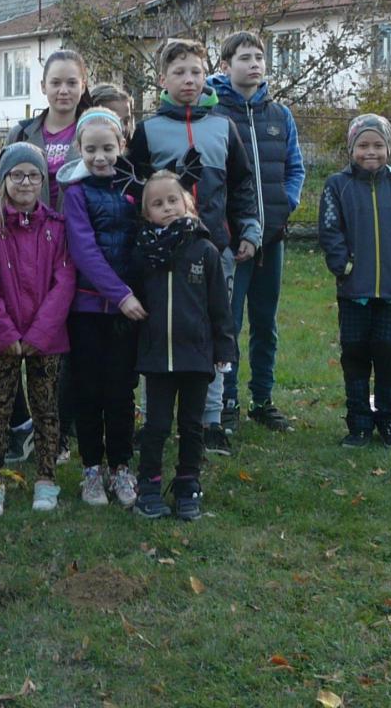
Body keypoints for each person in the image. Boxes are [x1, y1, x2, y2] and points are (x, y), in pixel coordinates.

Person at [127, 38, 260, 458]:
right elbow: (135, 191)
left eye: (196, 72)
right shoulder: (148, 131)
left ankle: (211, 419)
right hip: (160, 255)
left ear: (207, 76)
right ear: (162, 79)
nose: (189, 80)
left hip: (213, 249)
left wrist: (248, 229)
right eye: (179, 72)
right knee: (156, 331)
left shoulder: (224, 127)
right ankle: (152, 418)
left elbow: (242, 184)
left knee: (215, 329)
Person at [0, 142, 75, 516]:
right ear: (4, 180)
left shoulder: (57, 227)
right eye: (17, 175)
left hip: (46, 340)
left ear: (43, 180)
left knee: (47, 410)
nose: (25, 182)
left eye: (33, 175)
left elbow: (64, 283)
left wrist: (38, 335)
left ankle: (46, 477)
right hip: (0, 339)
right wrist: (7, 334)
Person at [211, 31, 305, 435]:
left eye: (259, 58)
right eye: (245, 58)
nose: (254, 65)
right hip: (232, 243)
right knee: (229, 324)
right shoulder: (215, 115)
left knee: (266, 323)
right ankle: (226, 400)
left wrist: (285, 205)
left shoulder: (280, 115)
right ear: (225, 66)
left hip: (272, 240)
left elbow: (295, 168)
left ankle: (262, 399)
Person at [2, 49, 92, 465]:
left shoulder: (93, 130)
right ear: (43, 86)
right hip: (27, 251)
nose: (63, 90)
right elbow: (1, 186)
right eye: (56, 82)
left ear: (83, 85)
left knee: (66, 343)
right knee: (17, 334)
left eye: (72, 82)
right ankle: (24, 423)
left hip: (77, 250)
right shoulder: (23, 133)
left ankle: (59, 430)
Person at [131, 171, 236, 520]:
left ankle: (188, 483)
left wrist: (224, 350)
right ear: (146, 213)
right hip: (157, 357)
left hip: (196, 356)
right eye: (157, 204)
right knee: (156, 425)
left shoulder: (205, 250)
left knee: (192, 425)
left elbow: (220, 306)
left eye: (173, 200)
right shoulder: (144, 252)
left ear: (187, 203)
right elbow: (133, 297)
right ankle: (149, 484)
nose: (167, 208)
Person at [55, 109, 146, 508]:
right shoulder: (75, 194)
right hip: (89, 308)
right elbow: (84, 250)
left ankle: (121, 466)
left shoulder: (134, 189)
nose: (100, 157)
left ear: (121, 146)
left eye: (108, 148)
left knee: (121, 390)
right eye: (90, 149)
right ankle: (92, 467)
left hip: (129, 312)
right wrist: (120, 294)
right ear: (79, 149)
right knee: (88, 389)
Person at [318, 113, 391, 449]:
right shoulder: (338, 185)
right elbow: (330, 228)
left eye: (378, 145)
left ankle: (390, 419)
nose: (370, 152)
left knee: (390, 355)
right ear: (351, 148)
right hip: (354, 290)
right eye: (363, 145)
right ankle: (359, 422)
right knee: (355, 355)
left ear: (388, 147)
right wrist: (342, 265)